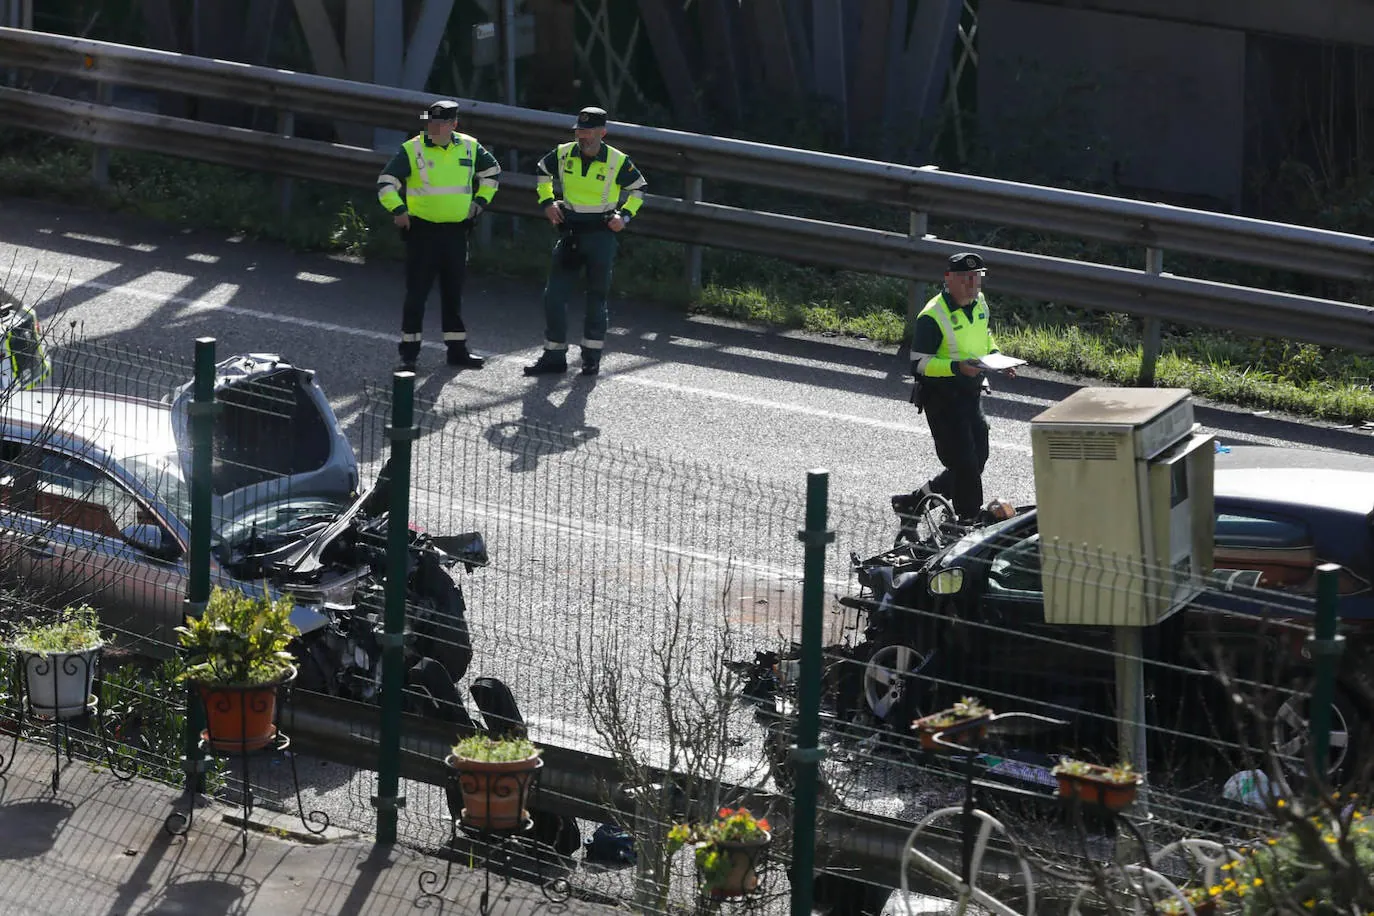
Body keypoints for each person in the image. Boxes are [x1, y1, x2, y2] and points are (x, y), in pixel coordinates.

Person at [376, 98, 501, 371]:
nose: (435, 127)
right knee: (417, 295)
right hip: (422, 233)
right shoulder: (413, 149)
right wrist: (397, 208)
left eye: (442, 123)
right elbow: (386, 182)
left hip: (456, 232)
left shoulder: (469, 146)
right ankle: (409, 355)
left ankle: (457, 351)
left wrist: (479, 203)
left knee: (453, 294)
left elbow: (492, 172)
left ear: (454, 124)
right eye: (432, 122)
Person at [523, 106, 647, 377]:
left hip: (601, 235)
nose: (582, 136)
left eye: (588, 131)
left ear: (602, 132)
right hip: (570, 232)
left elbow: (638, 189)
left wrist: (624, 217)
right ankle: (554, 356)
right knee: (553, 296)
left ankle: (591, 358)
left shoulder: (617, 160)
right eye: (579, 130)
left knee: (596, 298)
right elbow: (543, 170)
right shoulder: (564, 152)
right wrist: (546, 202)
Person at [902, 252, 1016, 522]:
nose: (972, 283)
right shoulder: (932, 316)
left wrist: (997, 356)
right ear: (948, 279)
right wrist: (957, 368)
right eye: (965, 278)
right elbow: (918, 365)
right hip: (942, 399)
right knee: (965, 466)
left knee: (978, 458)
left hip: (970, 395)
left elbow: (983, 335)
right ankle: (966, 522)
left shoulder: (980, 304)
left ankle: (914, 503)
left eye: (976, 277)